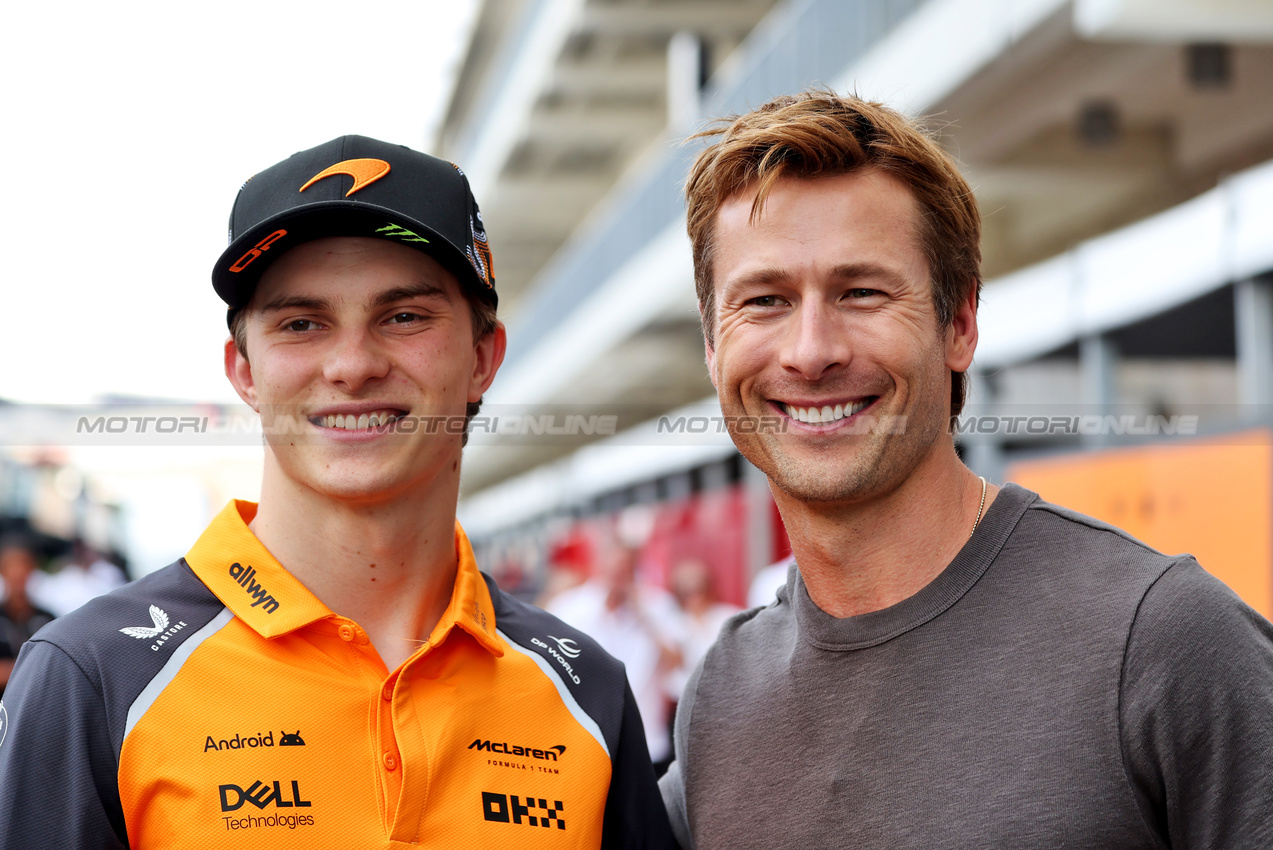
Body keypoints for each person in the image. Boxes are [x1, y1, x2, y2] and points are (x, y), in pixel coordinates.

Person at [0, 136, 676, 849]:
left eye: (404, 316)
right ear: (244, 372)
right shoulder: (95, 675)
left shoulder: (585, 690)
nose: (352, 365)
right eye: (301, 323)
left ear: (482, 359)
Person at [658, 91, 1273, 848]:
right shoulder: (723, 697)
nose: (810, 350)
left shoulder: (1162, 641)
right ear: (714, 348)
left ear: (958, 326)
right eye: (763, 300)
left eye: (861, 292)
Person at [549, 526, 684, 775]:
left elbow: (676, 662)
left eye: (625, 570)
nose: (617, 578)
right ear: (599, 565)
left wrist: (644, 616)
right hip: (586, 741)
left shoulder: (657, 605)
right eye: (613, 570)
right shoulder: (569, 609)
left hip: (647, 740)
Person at [0, 537, 55, 695]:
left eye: (24, 564)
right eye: (11, 565)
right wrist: (31, 669)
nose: (18, 572)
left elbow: (56, 666)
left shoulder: (46, 618)